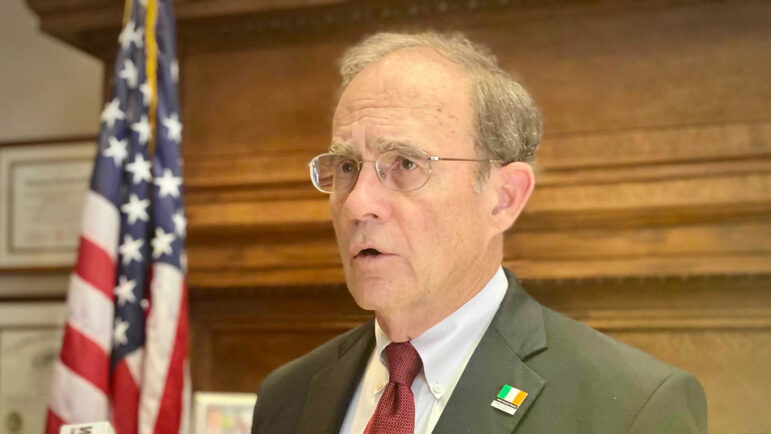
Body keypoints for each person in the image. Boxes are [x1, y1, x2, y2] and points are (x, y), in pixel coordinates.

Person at [251, 31, 707, 434]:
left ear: (504, 197)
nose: (358, 203)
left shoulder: (632, 408)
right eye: (347, 167)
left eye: (406, 165)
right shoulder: (287, 397)